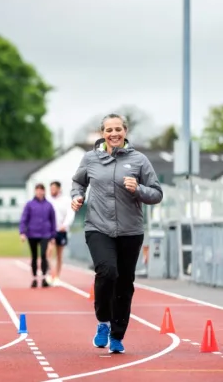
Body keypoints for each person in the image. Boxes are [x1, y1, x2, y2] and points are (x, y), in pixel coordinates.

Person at [70, 113, 163, 354]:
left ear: (125, 131)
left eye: (118, 129)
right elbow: (78, 183)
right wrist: (76, 197)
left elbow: (157, 193)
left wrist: (139, 189)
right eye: (109, 130)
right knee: (107, 271)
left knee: (124, 283)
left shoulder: (139, 160)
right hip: (98, 227)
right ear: (102, 133)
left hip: (130, 231)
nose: (114, 134)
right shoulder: (90, 158)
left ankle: (118, 335)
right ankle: (103, 321)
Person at [19, 183, 56, 288]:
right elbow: (24, 219)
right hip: (32, 234)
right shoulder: (30, 204)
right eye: (37, 190)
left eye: (41, 190)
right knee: (34, 257)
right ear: (35, 191)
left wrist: (53, 235)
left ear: (44, 191)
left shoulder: (49, 205)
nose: (39, 192)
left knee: (44, 255)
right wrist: (22, 232)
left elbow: (53, 220)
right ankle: (35, 278)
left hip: (45, 234)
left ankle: (44, 278)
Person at [45, 181, 75, 286]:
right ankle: (50, 274)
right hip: (50, 231)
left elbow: (71, 213)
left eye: (54, 188)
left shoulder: (66, 200)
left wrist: (65, 225)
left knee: (59, 255)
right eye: (51, 188)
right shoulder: (47, 200)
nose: (52, 190)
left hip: (61, 230)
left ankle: (57, 277)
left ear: (59, 189)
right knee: (48, 252)